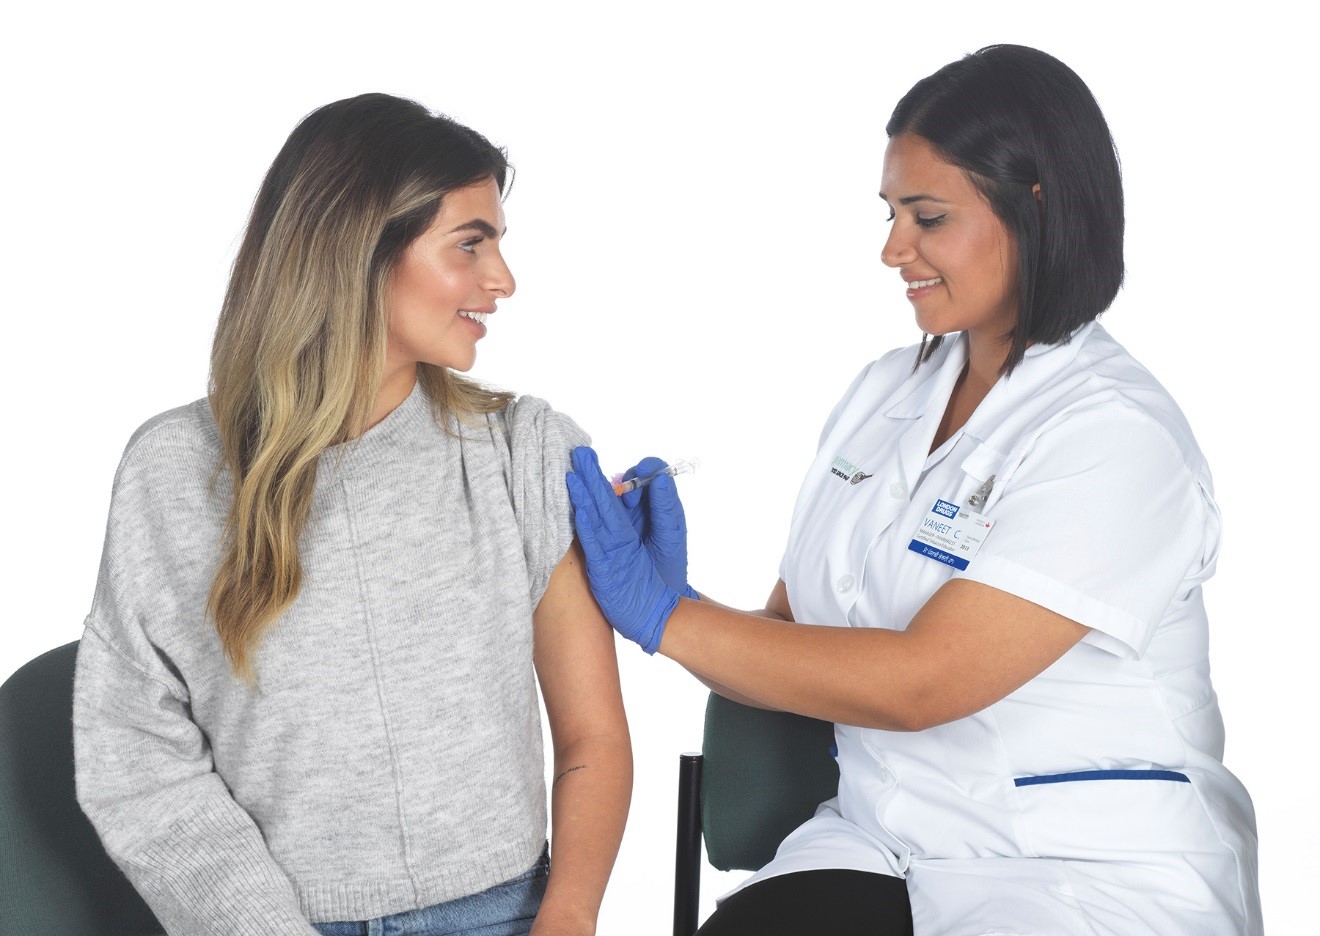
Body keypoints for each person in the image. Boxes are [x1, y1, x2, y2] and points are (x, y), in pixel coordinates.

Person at [566, 45, 1261, 936]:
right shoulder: (886, 393)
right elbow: (795, 646)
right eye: (893, 213)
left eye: (927, 217)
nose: (893, 248)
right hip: (881, 837)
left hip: (1076, 870)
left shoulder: (1116, 437)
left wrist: (664, 616)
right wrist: (681, 599)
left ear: (1035, 207)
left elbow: (922, 683)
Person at [73, 93, 630, 936]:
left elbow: (591, 737)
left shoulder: (526, 453)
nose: (503, 280)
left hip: (505, 916)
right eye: (470, 244)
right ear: (361, 249)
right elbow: (139, 765)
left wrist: (570, 918)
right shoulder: (174, 474)